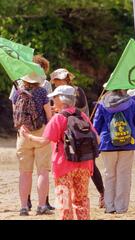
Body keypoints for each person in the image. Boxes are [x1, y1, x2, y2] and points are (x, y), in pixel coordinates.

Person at [21, 85, 98, 220]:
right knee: (81, 200)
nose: (52, 100)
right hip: (85, 164)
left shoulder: (58, 118)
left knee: (64, 202)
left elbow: (44, 141)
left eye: (54, 98)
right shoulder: (83, 116)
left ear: (61, 100)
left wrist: (28, 136)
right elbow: (96, 139)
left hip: (64, 166)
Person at [50, 68, 105, 208]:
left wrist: (61, 109)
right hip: (69, 134)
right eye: (55, 82)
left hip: (82, 134)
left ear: (65, 79)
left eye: (57, 81)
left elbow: (74, 107)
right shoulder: (61, 94)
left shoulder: (75, 91)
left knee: (91, 165)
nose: (56, 84)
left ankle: (103, 193)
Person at [10, 54, 54, 211]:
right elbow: (49, 116)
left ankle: (23, 207)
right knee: (42, 171)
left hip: (23, 134)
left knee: (25, 173)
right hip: (40, 132)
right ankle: (42, 205)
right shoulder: (42, 92)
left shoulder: (17, 92)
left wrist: (21, 127)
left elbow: (15, 113)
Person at [93, 89, 135, 214]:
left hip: (108, 143)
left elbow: (96, 126)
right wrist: (127, 135)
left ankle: (109, 206)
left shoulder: (102, 103)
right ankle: (121, 207)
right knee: (124, 174)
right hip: (128, 142)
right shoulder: (131, 102)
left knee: (109, 174)